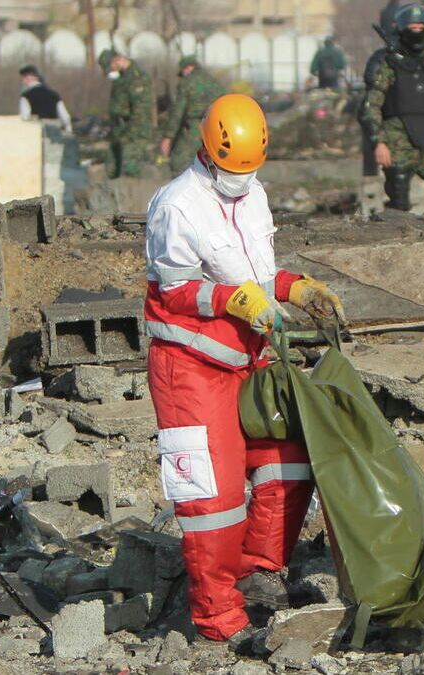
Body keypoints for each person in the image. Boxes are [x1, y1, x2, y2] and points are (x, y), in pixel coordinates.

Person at [143, 93, 346, 647]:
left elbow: (256, 271)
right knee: (214, 498)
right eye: (234, 168)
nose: (242, 178)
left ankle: (258, 573)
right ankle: (219, 621)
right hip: (191, 367)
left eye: (250, 168)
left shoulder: (253, 193)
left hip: (248, 362)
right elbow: (176, 290)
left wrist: (293, 287)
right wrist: (235, 302)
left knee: (289, 462)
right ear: (209, 152)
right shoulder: (177, 206)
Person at [360, 4, 424, 220]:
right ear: (401, 28)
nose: (416, 29)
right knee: (399, 207)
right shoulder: (387, 61)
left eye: (420, 26)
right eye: (411, 26)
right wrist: (379, 143)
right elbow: (372, 105)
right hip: (397, 140)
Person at [159, 55, 226, 177]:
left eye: (183, 71)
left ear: (188, 67)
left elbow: (177, 112)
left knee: (178, 161)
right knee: (213, 160)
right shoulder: (214, 81)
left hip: (195, 127)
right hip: (217, 126)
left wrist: (168, 137)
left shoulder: (186, 83)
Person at [99, 49, 155, 178]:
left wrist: (130, 134)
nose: (110, 71)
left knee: (130, 169)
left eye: (110, 67)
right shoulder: (122, 77)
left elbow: (140, 110)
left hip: (134, 131)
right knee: (112, 169)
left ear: (116, 60)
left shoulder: (136, 77)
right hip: (120, 129)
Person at [18, 65, 72, 133]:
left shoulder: (26, 96)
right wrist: (68, 132)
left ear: (26, 78)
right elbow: (65, 117)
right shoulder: (54, 95)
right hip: (53, 134)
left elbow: (25, 118)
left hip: (36, 134)